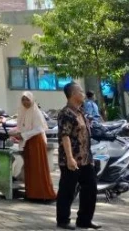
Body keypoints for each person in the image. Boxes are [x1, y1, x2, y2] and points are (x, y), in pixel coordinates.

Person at [56, 82, 99, 230]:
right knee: (67, 191)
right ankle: (63, 220)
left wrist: (90, 157)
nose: (83, 93)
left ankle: (84, 220)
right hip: (71, 160)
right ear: (73, 94)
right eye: (80, 91)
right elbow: (65, 136)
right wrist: (69, 158)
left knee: (91, 189)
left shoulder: (80, 112)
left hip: (86, 159)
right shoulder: (66, 113)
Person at [12, 92, 55, 202]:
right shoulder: (23, 112)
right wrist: (16, 133)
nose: (25, 102)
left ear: (32, 100)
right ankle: (31, 193)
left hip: (36, 142)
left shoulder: (36, 112)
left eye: (27, 99)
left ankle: (42, 194)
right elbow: (23, 127)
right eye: (23, 100)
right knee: (30, 168)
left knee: (38, 168)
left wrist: (23, 135)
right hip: (28, 142)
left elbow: (39, 129)